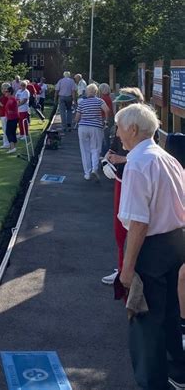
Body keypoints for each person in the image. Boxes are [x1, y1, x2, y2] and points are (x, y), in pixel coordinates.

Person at [116, 103, 185, 390]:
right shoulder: (167, 158)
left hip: (153, 247)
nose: (117, 133)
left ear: (132, 129)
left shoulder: (137, 162)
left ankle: (152, 383)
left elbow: (139, 222)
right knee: (170, 315)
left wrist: (127, 269)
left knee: (144, 320)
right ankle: (177, 371)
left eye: (119, 127)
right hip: (176, 243)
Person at [101, 88, 145, 285]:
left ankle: (129, 273)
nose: (121, 109)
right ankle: (121, 269)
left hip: (132, 181)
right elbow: (113, 145)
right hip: (120, 179)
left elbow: (143, 157)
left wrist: (120, 159)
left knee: (133, 228)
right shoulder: (122, 124)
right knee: (119, 229)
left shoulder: (141, 128)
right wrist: (106, 161)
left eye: (124, 105)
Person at [75, 83, 110, 181]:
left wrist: (77, 121)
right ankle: (95, 168)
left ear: (87, 92)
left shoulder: (82, 102)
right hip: (96, 127)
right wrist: (106, 122)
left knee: (84, 150)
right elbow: (107, 110)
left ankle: (87, 173)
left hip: (83, 127)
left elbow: (77, 118)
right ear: (96, 92)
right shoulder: (100, 101)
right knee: (95, 149)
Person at [98, 83, 114, 157]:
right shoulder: (108, 97)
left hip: (105, 118)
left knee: (105, 137)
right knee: (106, 136)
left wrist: (105, 121)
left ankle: (105, 153)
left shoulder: (103, 99)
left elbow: (105, 110)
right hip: (109, 118)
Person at [4, 86, 19, 154]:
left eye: (6, 91)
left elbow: (11, 108)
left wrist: (9, 112)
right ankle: (13, 147)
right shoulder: (10, 99)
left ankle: (12, 147)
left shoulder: (11, 99)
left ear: (10, 92)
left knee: (8, 132)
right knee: (12, 132)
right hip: (12, 118)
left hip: (12, 118)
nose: (5, 93)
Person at [0, 82, 11, 148]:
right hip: (3, 114)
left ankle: (6, 144)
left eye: (3, 88)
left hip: (5, 115)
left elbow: (4, 106)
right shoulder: (5, 96)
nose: (2, 90)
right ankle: (6, 143)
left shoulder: (6, 97)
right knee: (5, 129)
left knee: (5, 130)